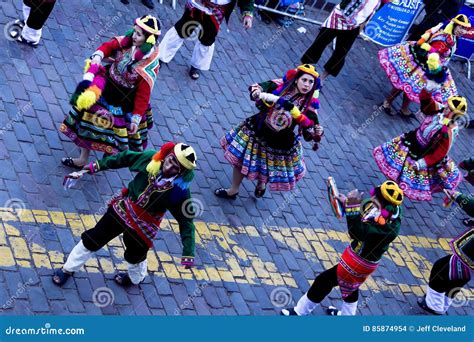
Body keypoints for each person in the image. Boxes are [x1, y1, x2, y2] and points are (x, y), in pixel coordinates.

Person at [52, 142, 198, 286]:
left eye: (175, 168)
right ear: (167, 155)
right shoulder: (150, 158)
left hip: (144, 225)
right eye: (171, 160)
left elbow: (186, 222)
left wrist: (188, 252)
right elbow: (124, 158)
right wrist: (96, 166)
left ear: (182, 173)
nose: (169, 166)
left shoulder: (180, 192)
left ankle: (136, 278)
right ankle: (68, 269)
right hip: (123, 208)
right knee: (93, 238)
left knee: (135, 256)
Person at [281, 181, 404, 316]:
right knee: (351, 289)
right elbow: (365, 217)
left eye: (375, 198)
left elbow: (357, 232)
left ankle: (299, 312)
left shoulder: (387, 227)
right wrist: (348, 203)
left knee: (324, 281)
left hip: (357, 262)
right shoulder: (392, 212)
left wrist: (352, 205)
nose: (372, 199)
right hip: (367, 262)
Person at [60, 15, 161, 169]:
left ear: (149, 40)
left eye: (139, 34)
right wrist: (99, 55)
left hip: (123, 101)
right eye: (134, 31)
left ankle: (101, 163)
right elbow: (108, 46)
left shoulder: (149, 65)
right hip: (105, 87)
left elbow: (143, 95)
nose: (134, 36)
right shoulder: (127, 41)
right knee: (88, 121)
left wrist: (135, 119)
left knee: (113, 135)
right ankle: (83, 159)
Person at [214, 64, 324, 199]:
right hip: (258, 130)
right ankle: (233, 190)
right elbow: (260, 86)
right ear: (296, 79)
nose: (306, 85)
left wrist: (316, 131)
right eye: (304, 80)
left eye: (310, 82)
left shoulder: (310, 105)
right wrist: (257, 92)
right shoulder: (282, 86)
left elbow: (308, 132)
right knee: (241, 161)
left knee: (266, 168)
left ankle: (262, 183)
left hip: (280, 141)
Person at [373, 88, 467, 201]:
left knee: (405, 177)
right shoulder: (440, 110)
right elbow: (426, 103)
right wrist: (428, 90)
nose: (446, 108)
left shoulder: (449, 130)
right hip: (411, 141)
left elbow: (440, 153)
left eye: (450, 109)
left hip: (422, 153)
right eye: (448, 106)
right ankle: (387, 190)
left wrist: (422, 163)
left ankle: (391, 196)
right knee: (397, 168)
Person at [379, 14, 471, 117]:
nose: (462, 31)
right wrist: (436, 72)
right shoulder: (443, 40)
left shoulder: (452, 37)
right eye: (460, 27)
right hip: (425, 65)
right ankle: (386, 103)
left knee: (412, 86)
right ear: (454, 25)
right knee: (404, 83)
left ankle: (404, 108)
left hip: (430, 66)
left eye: (465, 29)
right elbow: (431, 55)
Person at [158, 0, 254, 80]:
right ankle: (162, 56)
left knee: (207, 38)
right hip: (197, 3)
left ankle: (197, 65)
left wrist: (247, 14)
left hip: (218, 9)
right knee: (182, 29)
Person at [301, 0, 388, 83]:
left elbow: (375, 10)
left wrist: (362, 25)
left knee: (341, 53)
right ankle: (303, 68)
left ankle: (322, 78)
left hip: (356, 25)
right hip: (339, 16)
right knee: (320, 42)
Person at [418, 189, 472, 315]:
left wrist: (458, 196)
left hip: (471, 254)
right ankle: (442, 304)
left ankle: (434, 306)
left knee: (441, 270)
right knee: (459, 278)